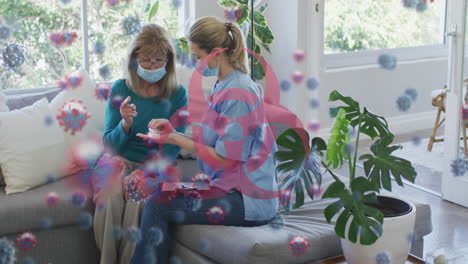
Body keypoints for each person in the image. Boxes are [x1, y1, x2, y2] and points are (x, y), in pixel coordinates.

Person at [131, 17, 278, 264]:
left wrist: (175, 139)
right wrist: (172, 133)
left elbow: (223, 157)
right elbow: (215, 142)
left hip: (247, 200)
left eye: (199, 57)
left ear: (217, 54)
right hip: (229, 188)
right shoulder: (224, 84)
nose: (197, 64)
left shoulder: (239, 92)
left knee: (158, 204)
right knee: (162, 191)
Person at [93, 23, 188, 264]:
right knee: (110, 197)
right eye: (146, 60)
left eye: (159, 60)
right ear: (134, 60)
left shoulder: (178, 94)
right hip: (119, 158)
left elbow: (174, 144)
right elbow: (109, 145)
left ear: (168, 61)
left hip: (155, 165)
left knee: (139, 200)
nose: (153, 66)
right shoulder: (120, 88)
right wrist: (124, 123)